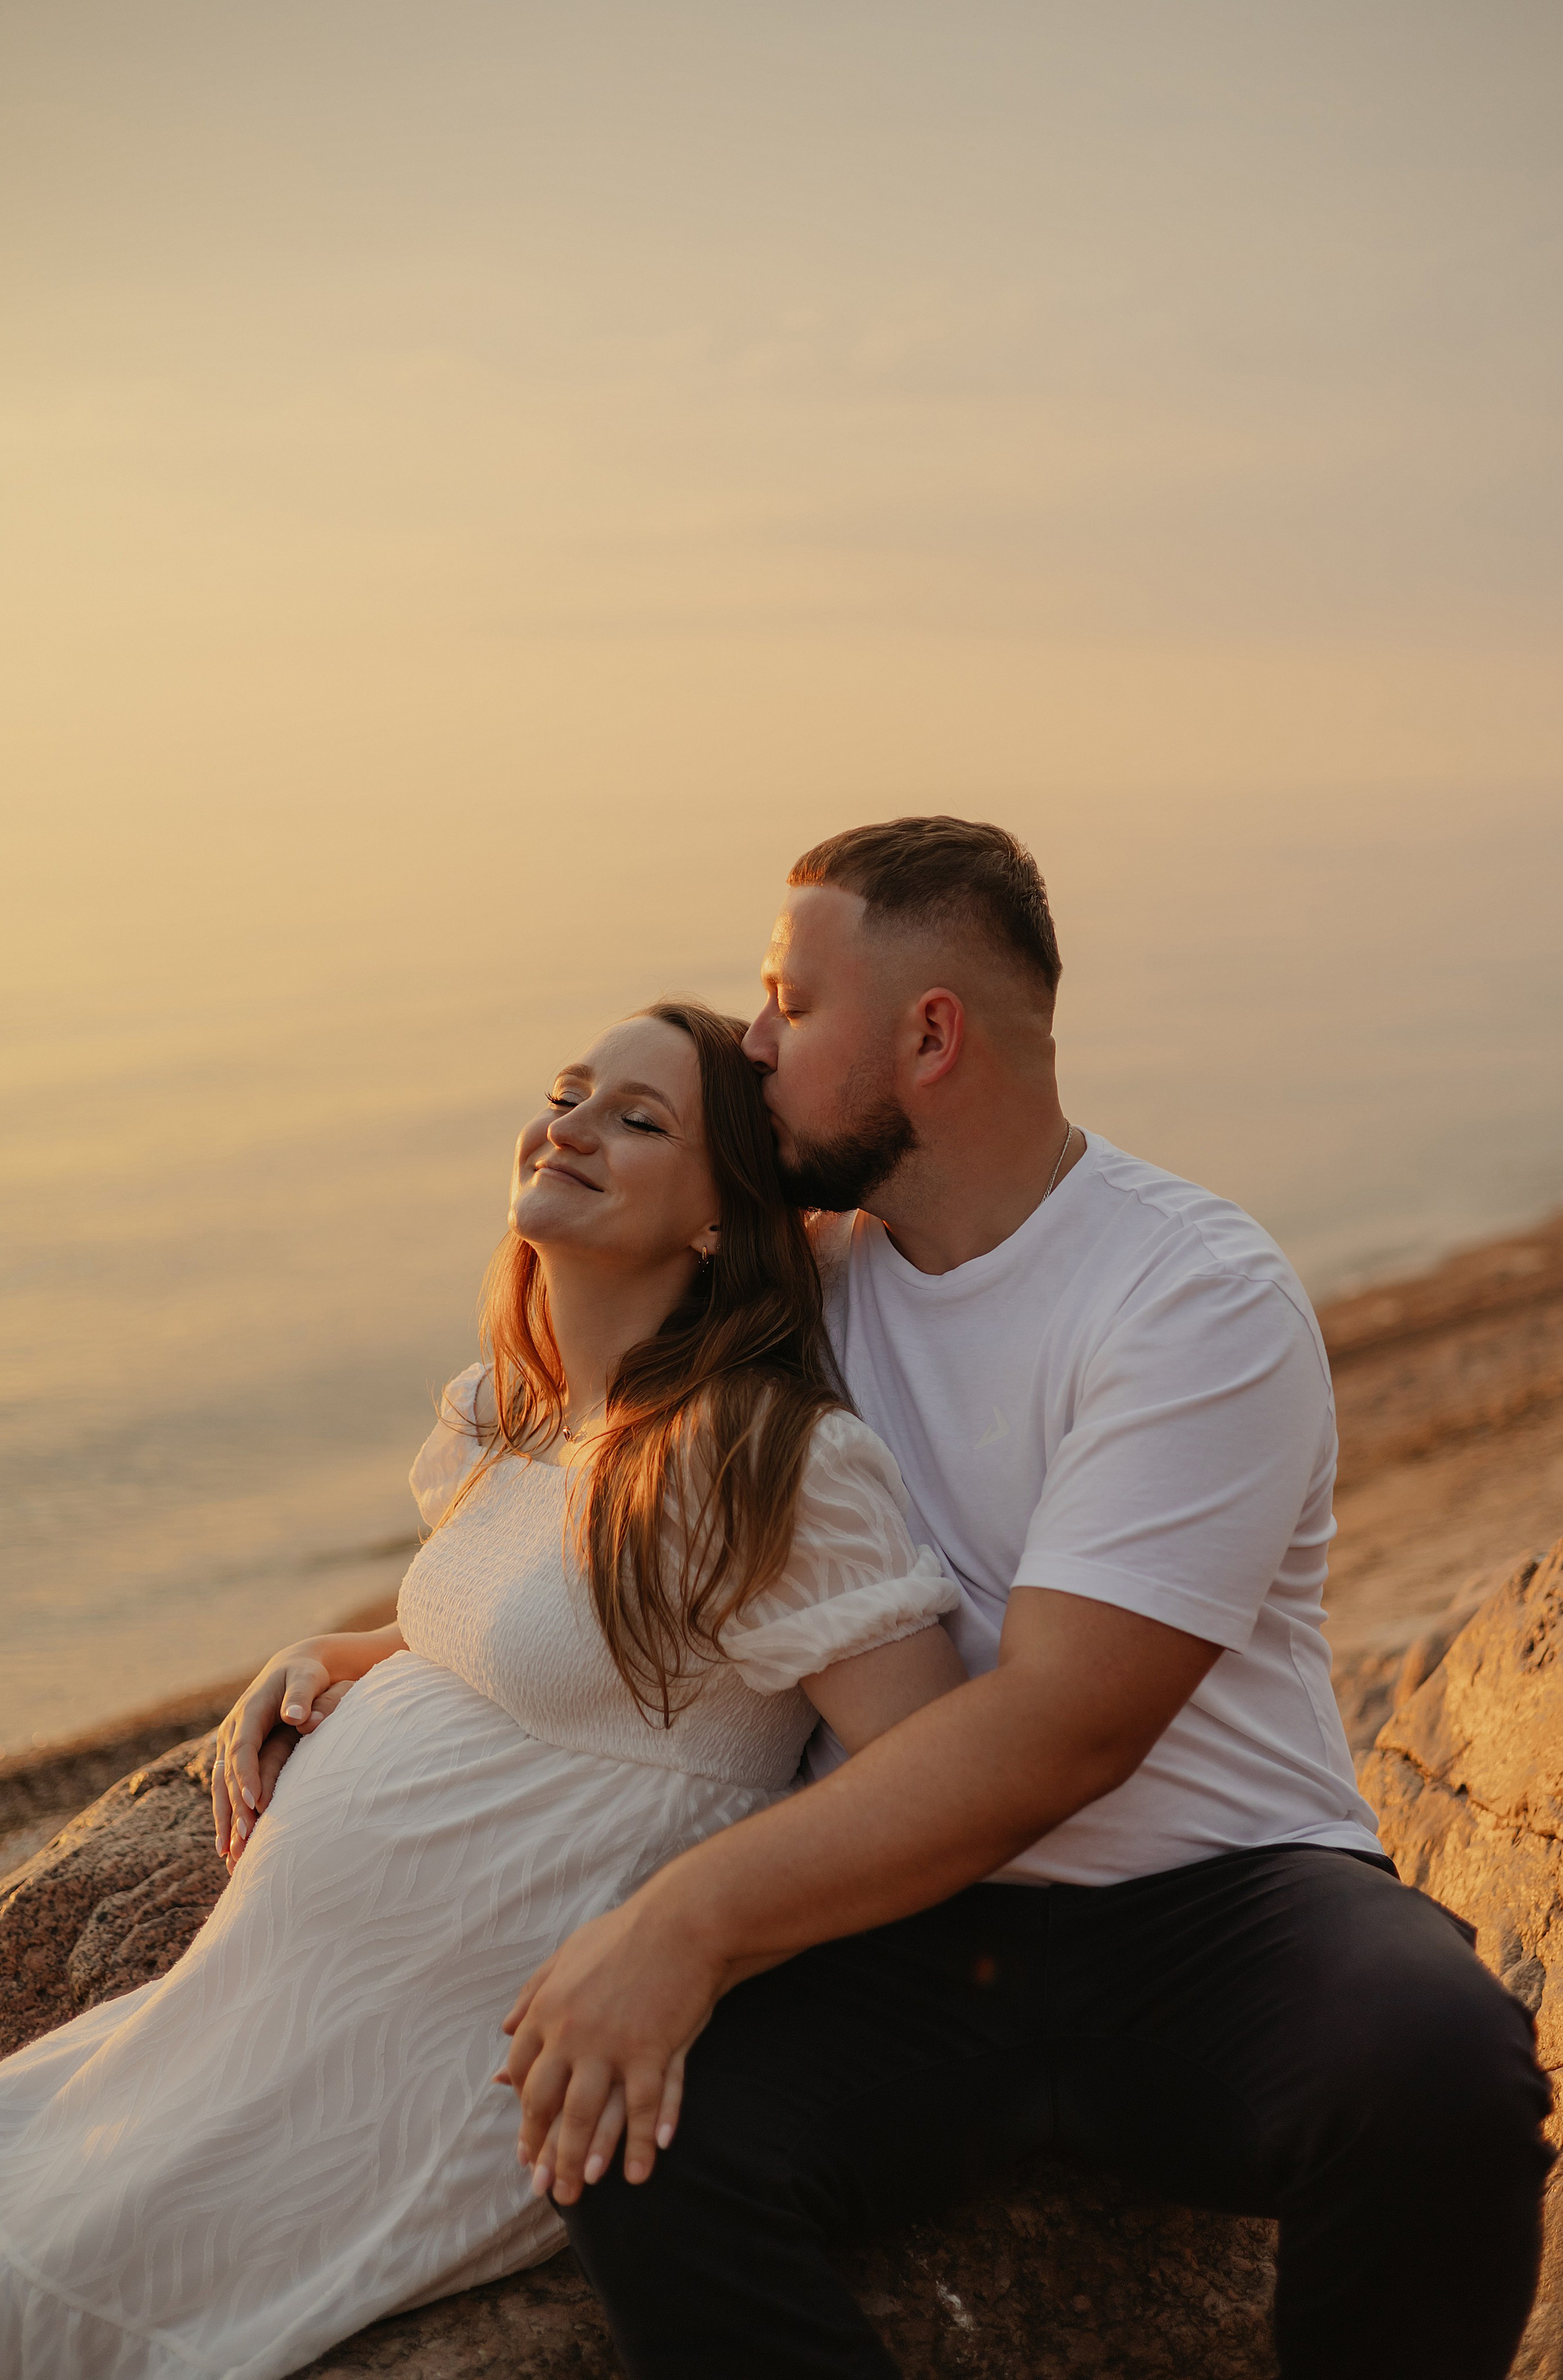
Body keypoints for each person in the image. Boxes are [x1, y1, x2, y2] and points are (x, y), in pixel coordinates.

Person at [503, 819, 1554, 2380]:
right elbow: (634, 1503)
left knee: (1440, 2068)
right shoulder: (810, 1280)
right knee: (635, 2137)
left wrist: (687, 1919)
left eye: (790, 1001)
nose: (755, 1041)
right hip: (905, 1925)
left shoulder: (1186, 1292)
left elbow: (1062, 1731)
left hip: (1218, 1906)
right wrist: (365, 1650)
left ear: (929, 1036)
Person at [0, 1002, 965, 2380]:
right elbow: (553, 1641)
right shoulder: (521, 1410)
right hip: (265, 2020)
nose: (567, 1125)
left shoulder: (768, 1463)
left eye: (636, 1119)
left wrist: (691, 1951)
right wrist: (342, 1656)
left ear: (717, 1219)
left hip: (444, 2074)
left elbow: (938, 1782)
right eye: (569, 1091)